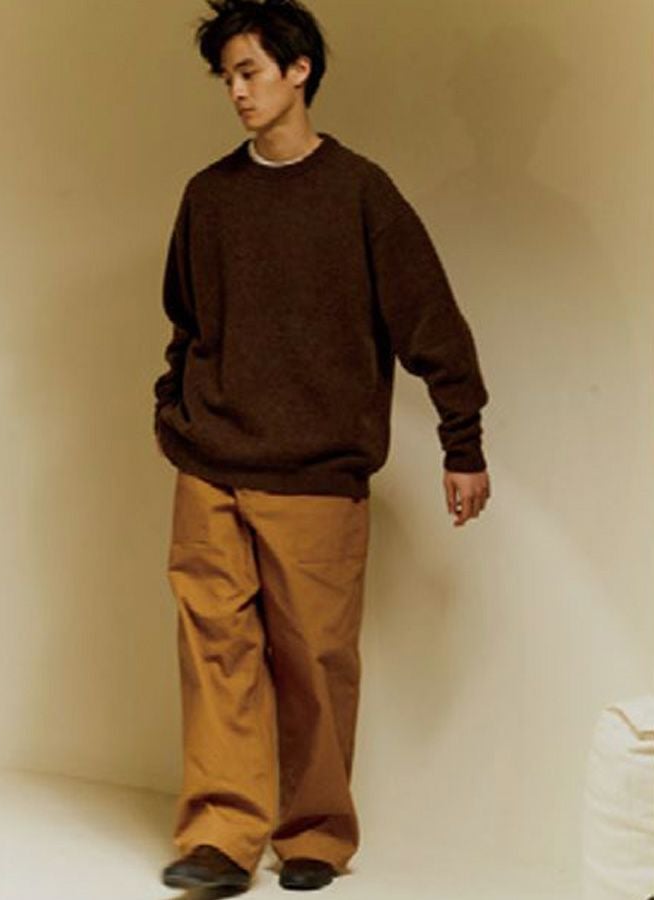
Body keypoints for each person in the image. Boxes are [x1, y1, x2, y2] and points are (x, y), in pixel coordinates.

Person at [154, 0, 491, 892]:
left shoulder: (360, 193)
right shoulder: (209, 196)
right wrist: (173, 414)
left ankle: (314, 835)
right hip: (209, 467)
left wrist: (462, 442)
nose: (237, 91)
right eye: (227, 76)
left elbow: (430, 322)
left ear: (299, 69)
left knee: (314, 660)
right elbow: (186, 324)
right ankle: (220, 837)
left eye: (250, 71)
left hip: (315, 473)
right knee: (215, 655)